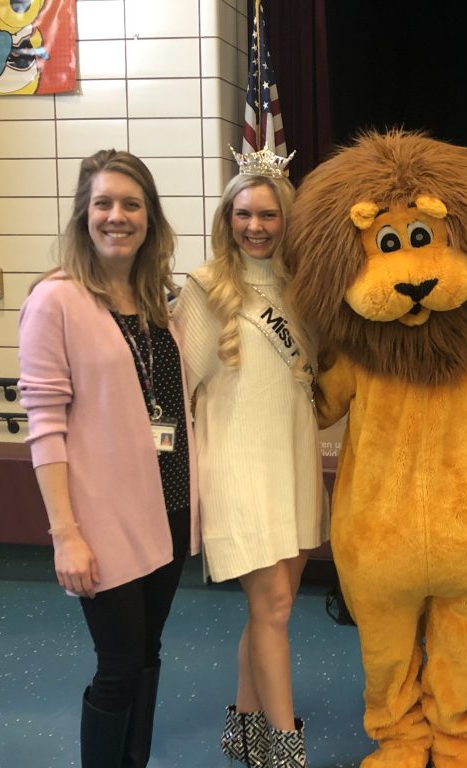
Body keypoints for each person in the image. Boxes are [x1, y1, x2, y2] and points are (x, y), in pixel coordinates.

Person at [17, 149, 200, 768]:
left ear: (150, 218)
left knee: (148, 652)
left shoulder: (155, 301)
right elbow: (44, 424)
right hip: (103, 520)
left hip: (168, 505)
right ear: (83, 214)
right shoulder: (56, 300)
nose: (116, 216)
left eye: (131, 204)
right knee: (119, 666)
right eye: (103, 203)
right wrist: (65, 534)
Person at [173, 146, 327, 768]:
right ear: (226, 218)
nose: (255, 227)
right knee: (276, 608)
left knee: (270, 612)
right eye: (243, 214)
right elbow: (180, 392)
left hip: (292, 467)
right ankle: (286, 748)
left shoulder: (305, 290)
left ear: (287, 219)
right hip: (237, 468)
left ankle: (243, 729)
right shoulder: (205, 290)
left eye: (268, 215)